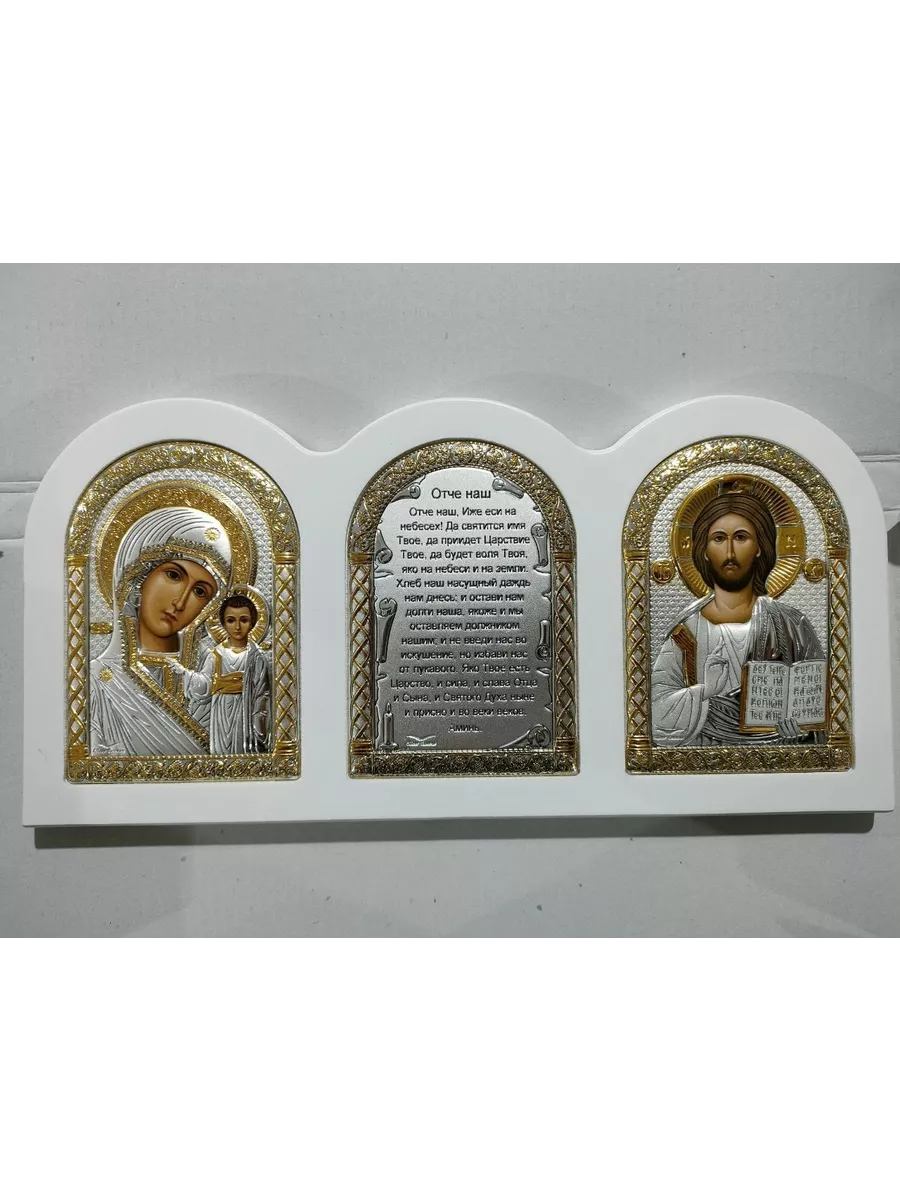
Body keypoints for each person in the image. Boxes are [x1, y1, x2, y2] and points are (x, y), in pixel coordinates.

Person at [651, 487, 824, 747]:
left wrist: (800, 727)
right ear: (704, 550)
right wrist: (705, 692)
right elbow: (655, 713)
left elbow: (818, 712)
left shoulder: (791, 625)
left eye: (741, 537)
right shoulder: (686, 633)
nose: (730, 552)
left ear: (759, 547)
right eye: (719, 538)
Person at [89, 506, 232, 756]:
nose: (180, 602)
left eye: (200, 592)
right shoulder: (97, 680)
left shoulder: (217, 671)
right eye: (174, 575)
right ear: (138, 578)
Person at [179, 594, 270, 754]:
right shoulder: (217, 655)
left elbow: (262, 694)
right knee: (221, 752)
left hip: (245, 711)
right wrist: (185, 674)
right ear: (223, 623)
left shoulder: (256, 657)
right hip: (220, 710)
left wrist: (259, 726)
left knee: (241, 751)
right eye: (231, 620)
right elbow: (205, 685)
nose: (237, 627)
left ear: (252, 622)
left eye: (244, 620)